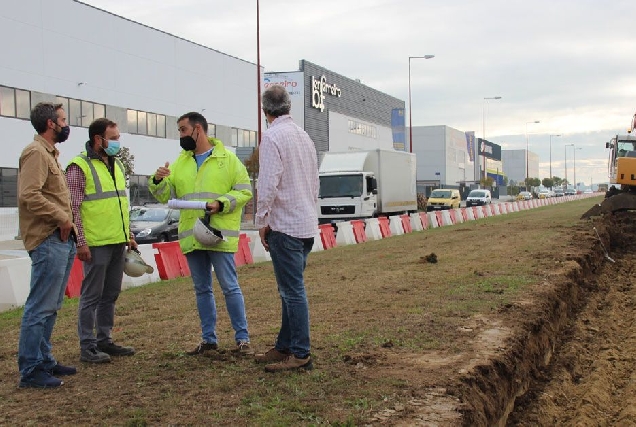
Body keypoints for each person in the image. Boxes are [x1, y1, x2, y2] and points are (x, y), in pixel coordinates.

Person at [149, 112, 253, 356]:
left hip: (218, 234)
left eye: (183, 130)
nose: (181, 135)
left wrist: (221, 203)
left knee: (229, 286)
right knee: (202, 289)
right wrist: (157, 180)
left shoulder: (227, 160)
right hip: (192, 236)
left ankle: (243, 339)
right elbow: (165, 196)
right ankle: (209, 340)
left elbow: (245, 192)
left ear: (198, 130)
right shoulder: (180, 162)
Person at [255, 85, 319, 372]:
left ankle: (301, 352)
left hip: (285, 226)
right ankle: (284, 346)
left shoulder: (272, 138)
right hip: (305, 225)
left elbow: (267, 183)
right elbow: (315, 183)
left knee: (292, 292)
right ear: (289, 106)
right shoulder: (304, 137)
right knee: (289, 291)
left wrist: (262, 221)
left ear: (264, 109)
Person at [66, 118, 137, 363]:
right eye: (114, 138)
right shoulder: (78, 166)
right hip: (95, 244)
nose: (118, 142)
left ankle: (104, 340)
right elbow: (72, 208)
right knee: (91, 296)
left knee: (111, 294)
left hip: (117, 241)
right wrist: (81, 242)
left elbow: (121, 204)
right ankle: (88, 346)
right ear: (99, 139)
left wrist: (129, 234)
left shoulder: (116, 166)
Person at [17, 102, 78, 388]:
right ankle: (30, 370)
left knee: (51, 306)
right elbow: (29, 194)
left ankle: (45, 360)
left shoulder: (50, 155)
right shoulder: (35, 153)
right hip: (47, 238)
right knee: (39, 307)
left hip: (61, 239)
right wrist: (62, 218)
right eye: (63, 120)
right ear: (51, 124)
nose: (67, 124)